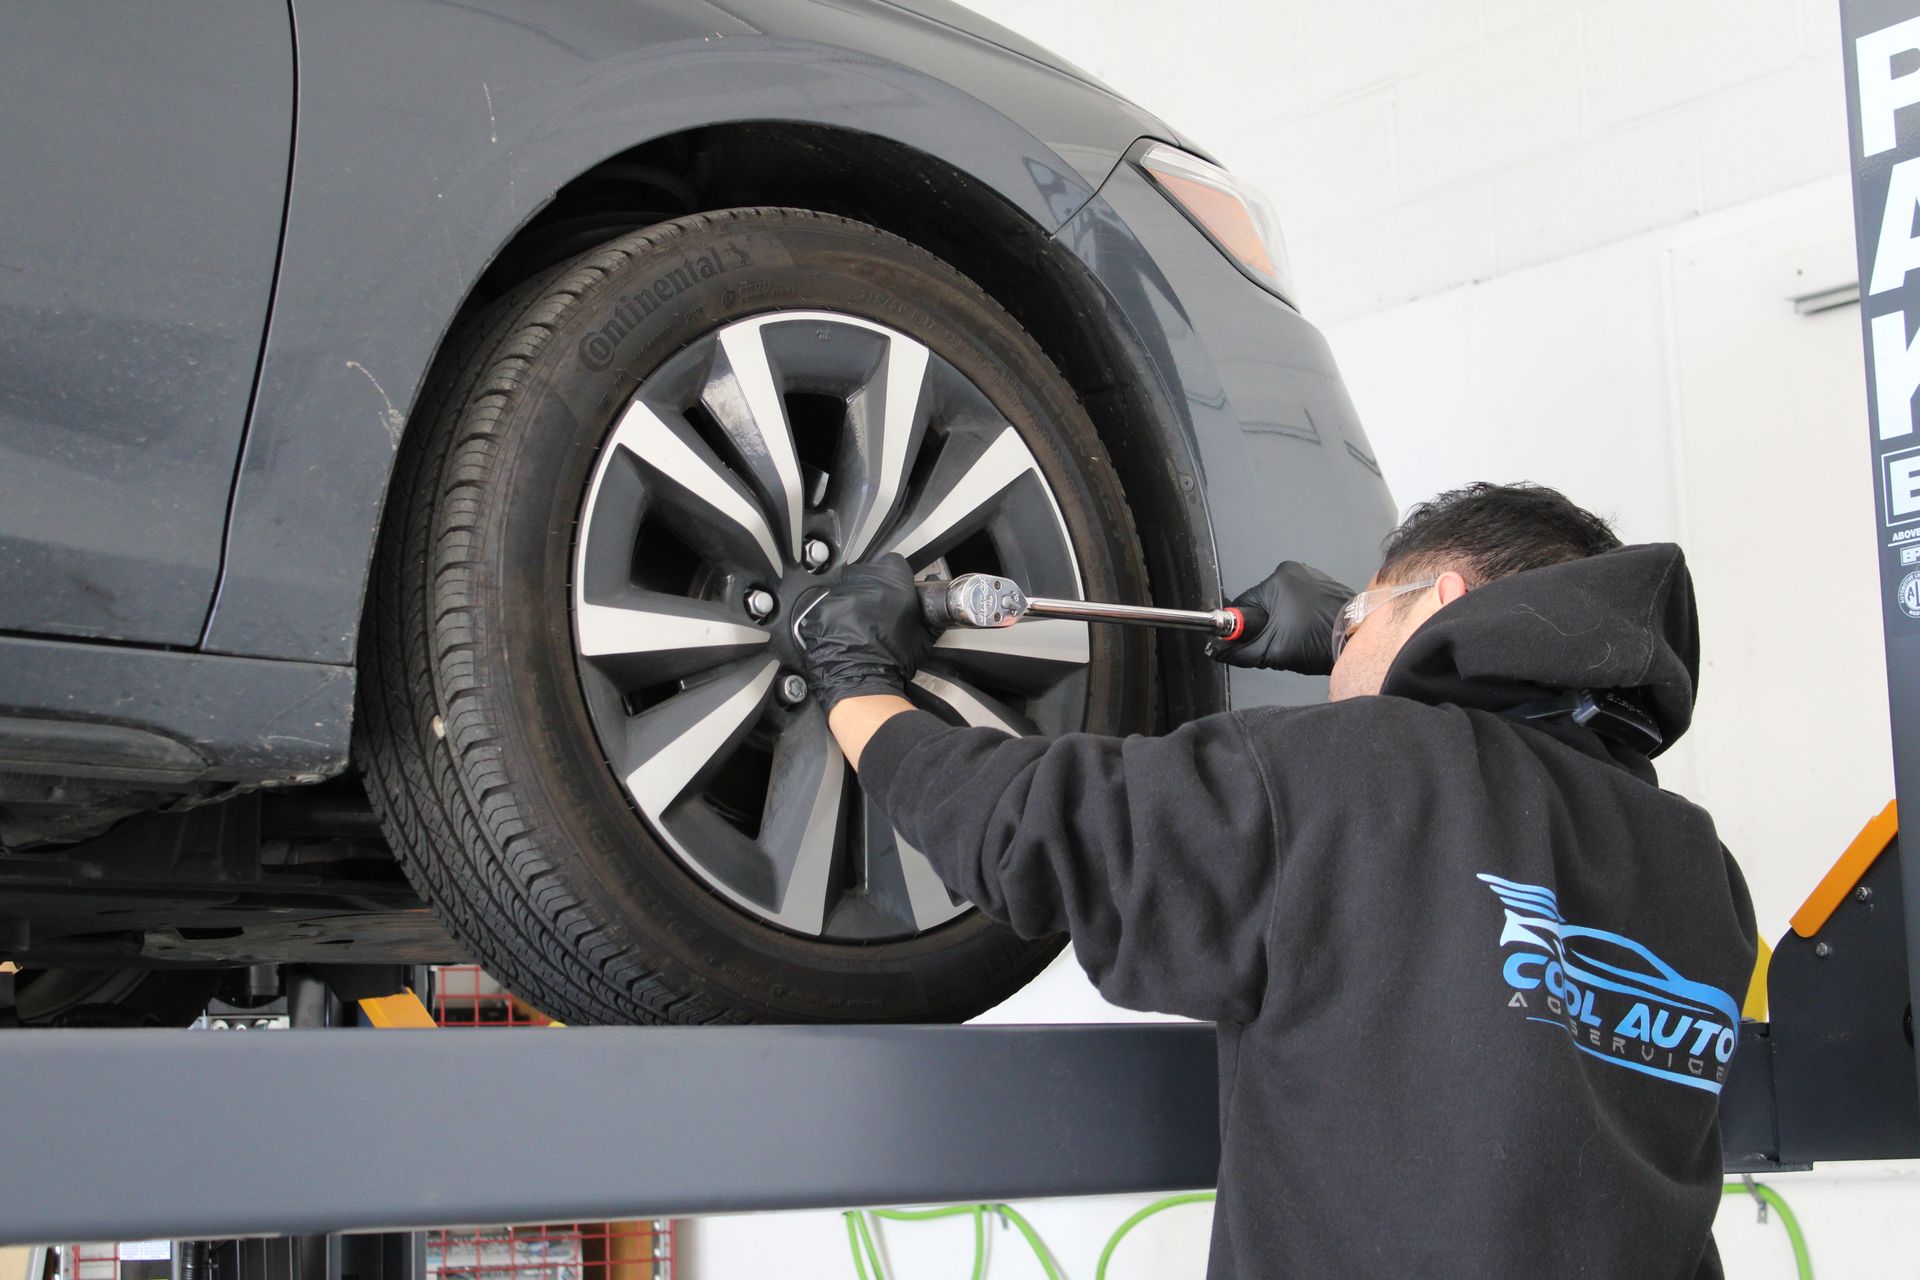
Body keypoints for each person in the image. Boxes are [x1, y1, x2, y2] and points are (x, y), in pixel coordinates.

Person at [794, 481, 1757, 1279]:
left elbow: (1033, 829)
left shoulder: (1371, 767)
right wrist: (1378, 643)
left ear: (1448, 601)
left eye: (1357, 615)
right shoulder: (1701, 868)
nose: (1338, 647)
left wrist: (858, 685)